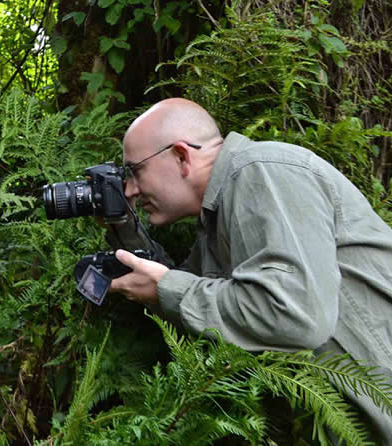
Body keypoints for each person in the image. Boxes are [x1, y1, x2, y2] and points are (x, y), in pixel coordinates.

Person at [107, 97, 392, 443]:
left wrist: (167, 289)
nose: (130, 190)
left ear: (182, 156)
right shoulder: (219, 215)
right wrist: (123, 227)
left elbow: (295, 315)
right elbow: (198, 304)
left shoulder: (262, 171)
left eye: (135, 172)